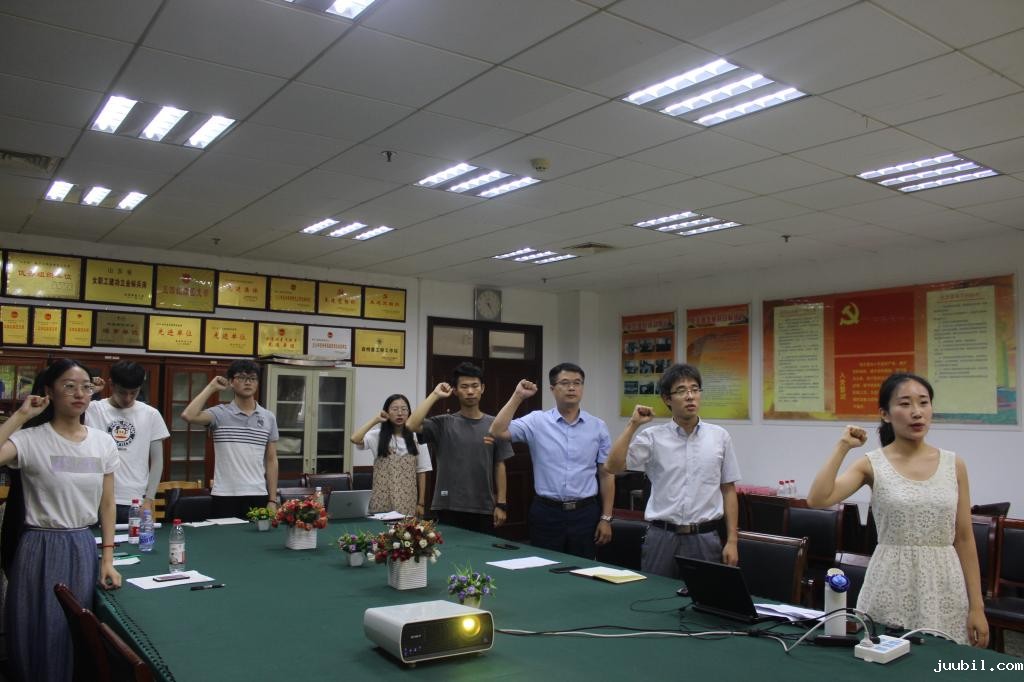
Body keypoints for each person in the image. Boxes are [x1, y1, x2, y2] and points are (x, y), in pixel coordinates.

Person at [806, 372, 988, 647]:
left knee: (942, 660)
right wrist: (843, 447)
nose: (917, 412)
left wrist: (977, 607)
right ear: (885, 414)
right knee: (883, 657)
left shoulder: (954, 464)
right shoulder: (872, 464)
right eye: (905, 404)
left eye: (923, 402)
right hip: (890, 581)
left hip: (944, 584)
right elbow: (817, 499)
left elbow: (964, 538)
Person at [0, 359, 121, 682]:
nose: (79, 393)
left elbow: (108, 504)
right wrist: (21, 415)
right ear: (49, 392)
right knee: (36, 626)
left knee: (73, 630)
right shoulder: (30, 439)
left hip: (82, 543)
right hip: (39, 544)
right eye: (69, 386)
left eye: (86, 387)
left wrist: (107, 559)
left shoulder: (103, 442)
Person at [607, 363, 740, 577]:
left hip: (704, 536)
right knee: (655, 594)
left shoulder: (719, 437)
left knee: (704, 595)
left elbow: (728, 490)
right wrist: (633, 425)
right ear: (667, 399)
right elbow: (612, 467)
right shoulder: (653, 437)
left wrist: (732, 541)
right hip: (662, 535)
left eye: (695, 389)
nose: (690, 396)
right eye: (681, 390)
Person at [490, 362, 614, 559]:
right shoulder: (537, 421)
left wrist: (606, 518)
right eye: (565, 383)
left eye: (577, 383)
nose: (572, 388)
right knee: (544, 566)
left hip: (585, 513)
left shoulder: (598, 426)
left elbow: (606, 474)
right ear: (552, 389)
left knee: (583, 568)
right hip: (547, 512)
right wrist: (518, 396)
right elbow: (497, 431)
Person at [405, 362, 513, 532]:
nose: (470, 391)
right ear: (455, 391)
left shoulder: (495, 425)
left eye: (475, 386)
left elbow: (500, 464)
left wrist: (501, 503)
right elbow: (411, 424)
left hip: (483, 506)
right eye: (464, 386)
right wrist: (435, 394)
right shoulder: (443, 423)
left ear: (483, 388)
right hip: (447, 505)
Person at [181, 360, 279, 519]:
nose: (248, 382)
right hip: (225, 494)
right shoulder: (220, 413)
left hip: (258, 493)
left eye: (252, 378)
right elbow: (188, 415)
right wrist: (211, 387)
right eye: (241, 377)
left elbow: (271, 459)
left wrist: (272, 499)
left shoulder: (268, 417)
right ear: (231, 382)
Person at [87, 361, 169, 523]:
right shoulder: (92, 409)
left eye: (134, 392)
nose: (128, 398)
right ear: (111, 385)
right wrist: (90, 391)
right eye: (122, 392)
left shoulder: (151, 414)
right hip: (96, 499)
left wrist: (149, 499)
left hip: (135, 501)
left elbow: (157, 461)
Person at [350, 394, 432, 516]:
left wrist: (421, 503)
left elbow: (422, 471)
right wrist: (376, 420)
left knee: (405, 528)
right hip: (381, 499)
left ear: (409, 413)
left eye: (404, 409)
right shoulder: (377, 436)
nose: (400, 413)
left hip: (407, 501)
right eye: (395, 409)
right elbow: (354, 438)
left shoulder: (418, 437)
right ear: (387, 412)